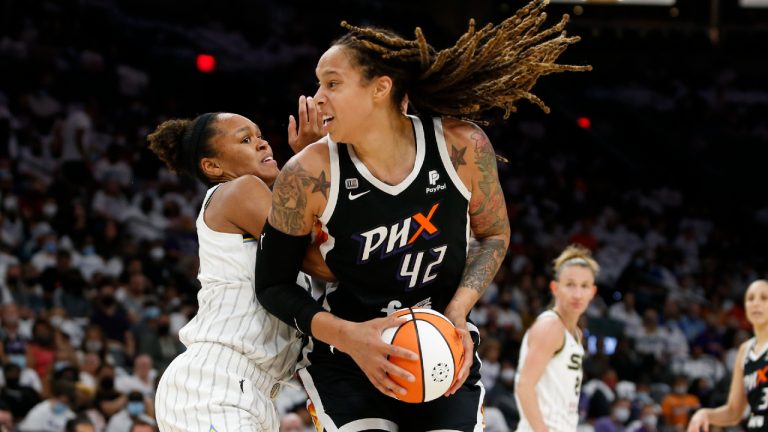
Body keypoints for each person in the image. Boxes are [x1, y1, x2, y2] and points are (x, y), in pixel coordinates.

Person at [254, 1, 589, 429]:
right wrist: (348, 336)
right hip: (347, 357)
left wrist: (458, 311)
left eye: (332, 83)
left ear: (380, 88)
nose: (317, 98)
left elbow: (493, 235)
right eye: (318, 85)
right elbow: (272, 284)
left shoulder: (461, 147)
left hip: (440, 347)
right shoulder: (307, 173)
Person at [148, 107, 329, 431]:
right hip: (216, 383)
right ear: (213, 166)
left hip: (252, 391)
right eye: (245, 139)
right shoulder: (240, 190)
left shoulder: (257, 201)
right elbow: (321, 262)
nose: (262, 144)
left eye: (259, 136)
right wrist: (313, 159)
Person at [514, 245, 599, 431]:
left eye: (584, 286)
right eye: (570, 284)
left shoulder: (576, 333)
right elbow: (524, 385)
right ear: (555, 288)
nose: (578, 294)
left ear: (593, 292)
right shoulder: (551, 327)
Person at [687, 279, 768, 432]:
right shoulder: (745, 350)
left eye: (764, 298)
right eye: (751, 298)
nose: (756, 303)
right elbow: (733, 412)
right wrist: (705, 414)